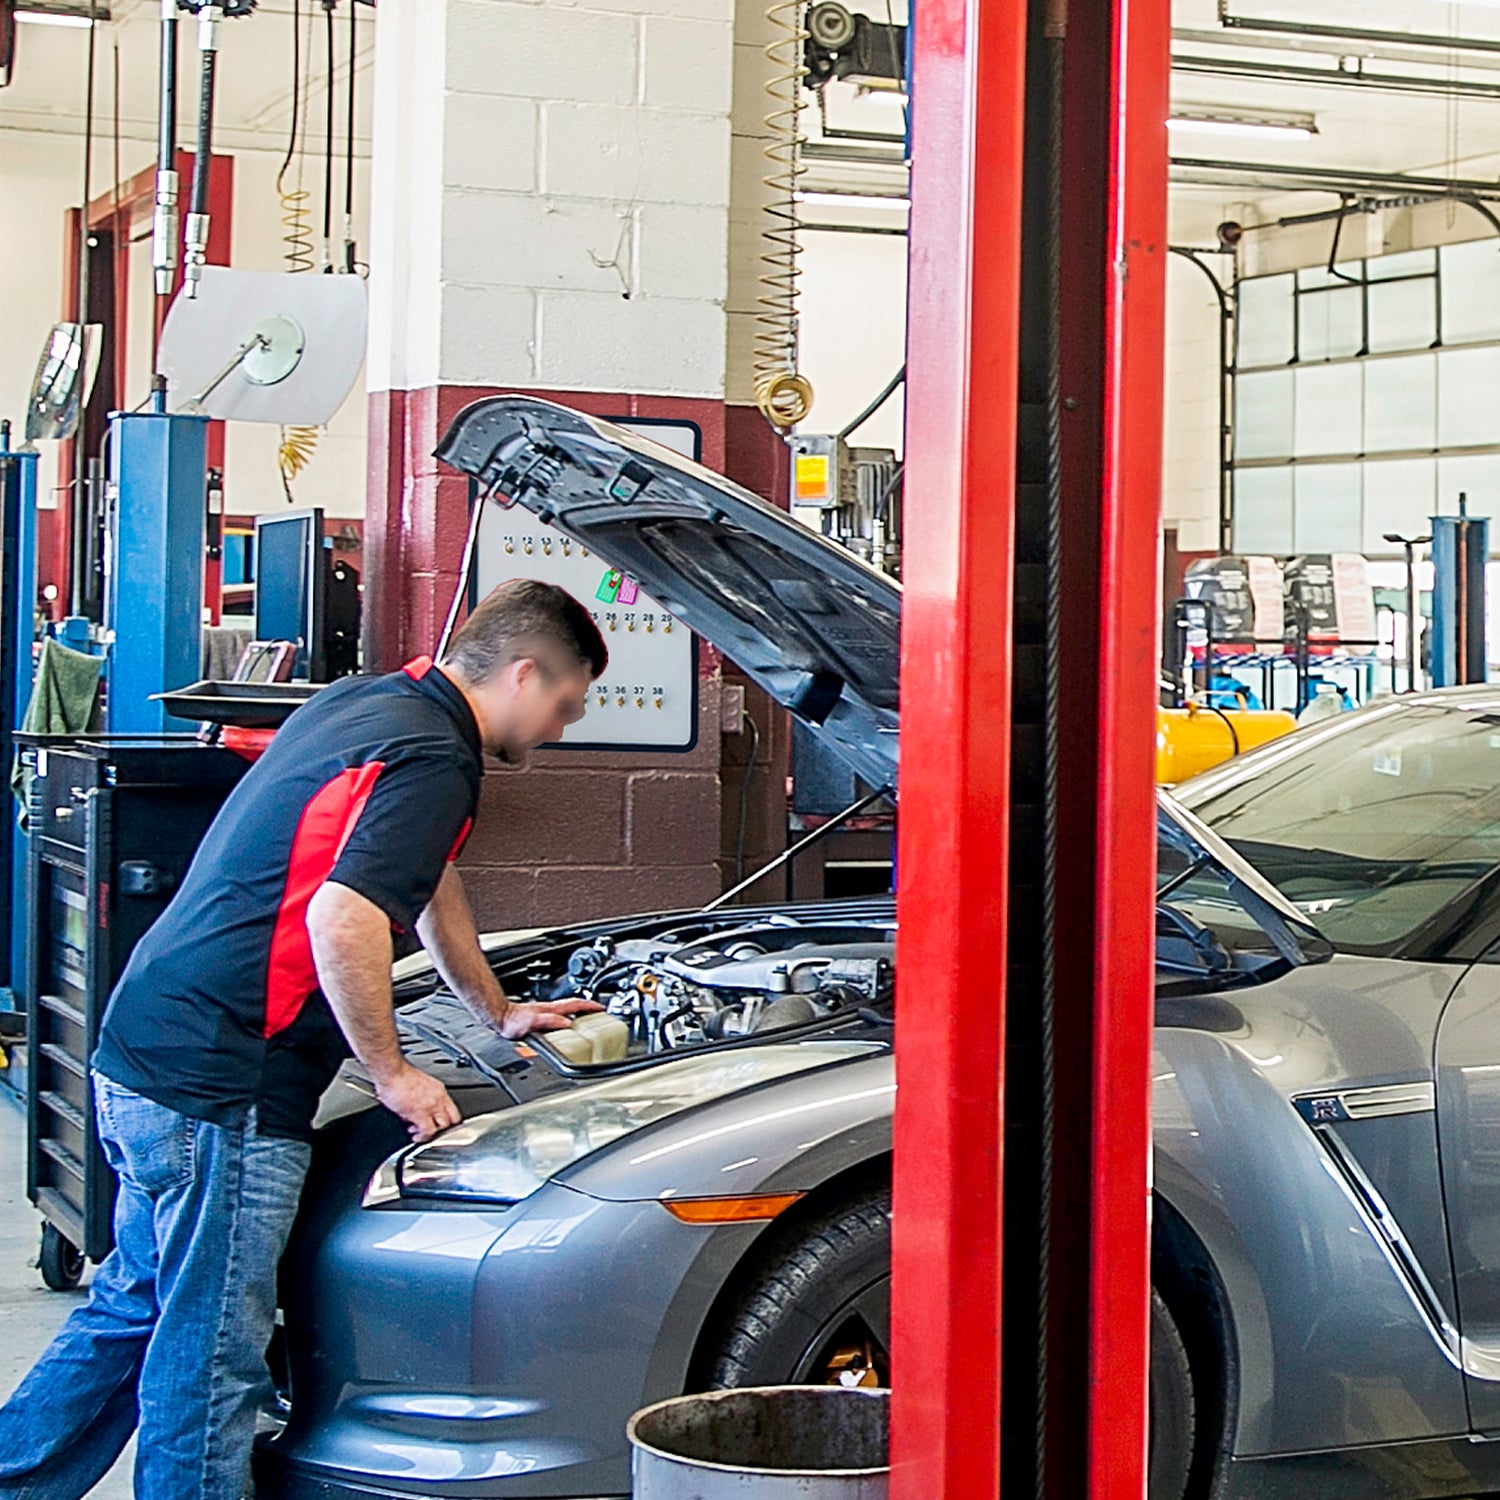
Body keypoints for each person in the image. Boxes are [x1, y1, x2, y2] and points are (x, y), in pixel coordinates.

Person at [0, 579, 608, 1500]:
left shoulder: (374, 701)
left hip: (144, 1046)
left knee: (138, 1309)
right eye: (563, 705)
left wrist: (497, 1011)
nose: (558, 730)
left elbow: (423, 874)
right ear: (525, 674)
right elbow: (345, 914)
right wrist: (393, 1074)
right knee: (211, 1360)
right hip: (226, 1083)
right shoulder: (438, 759)